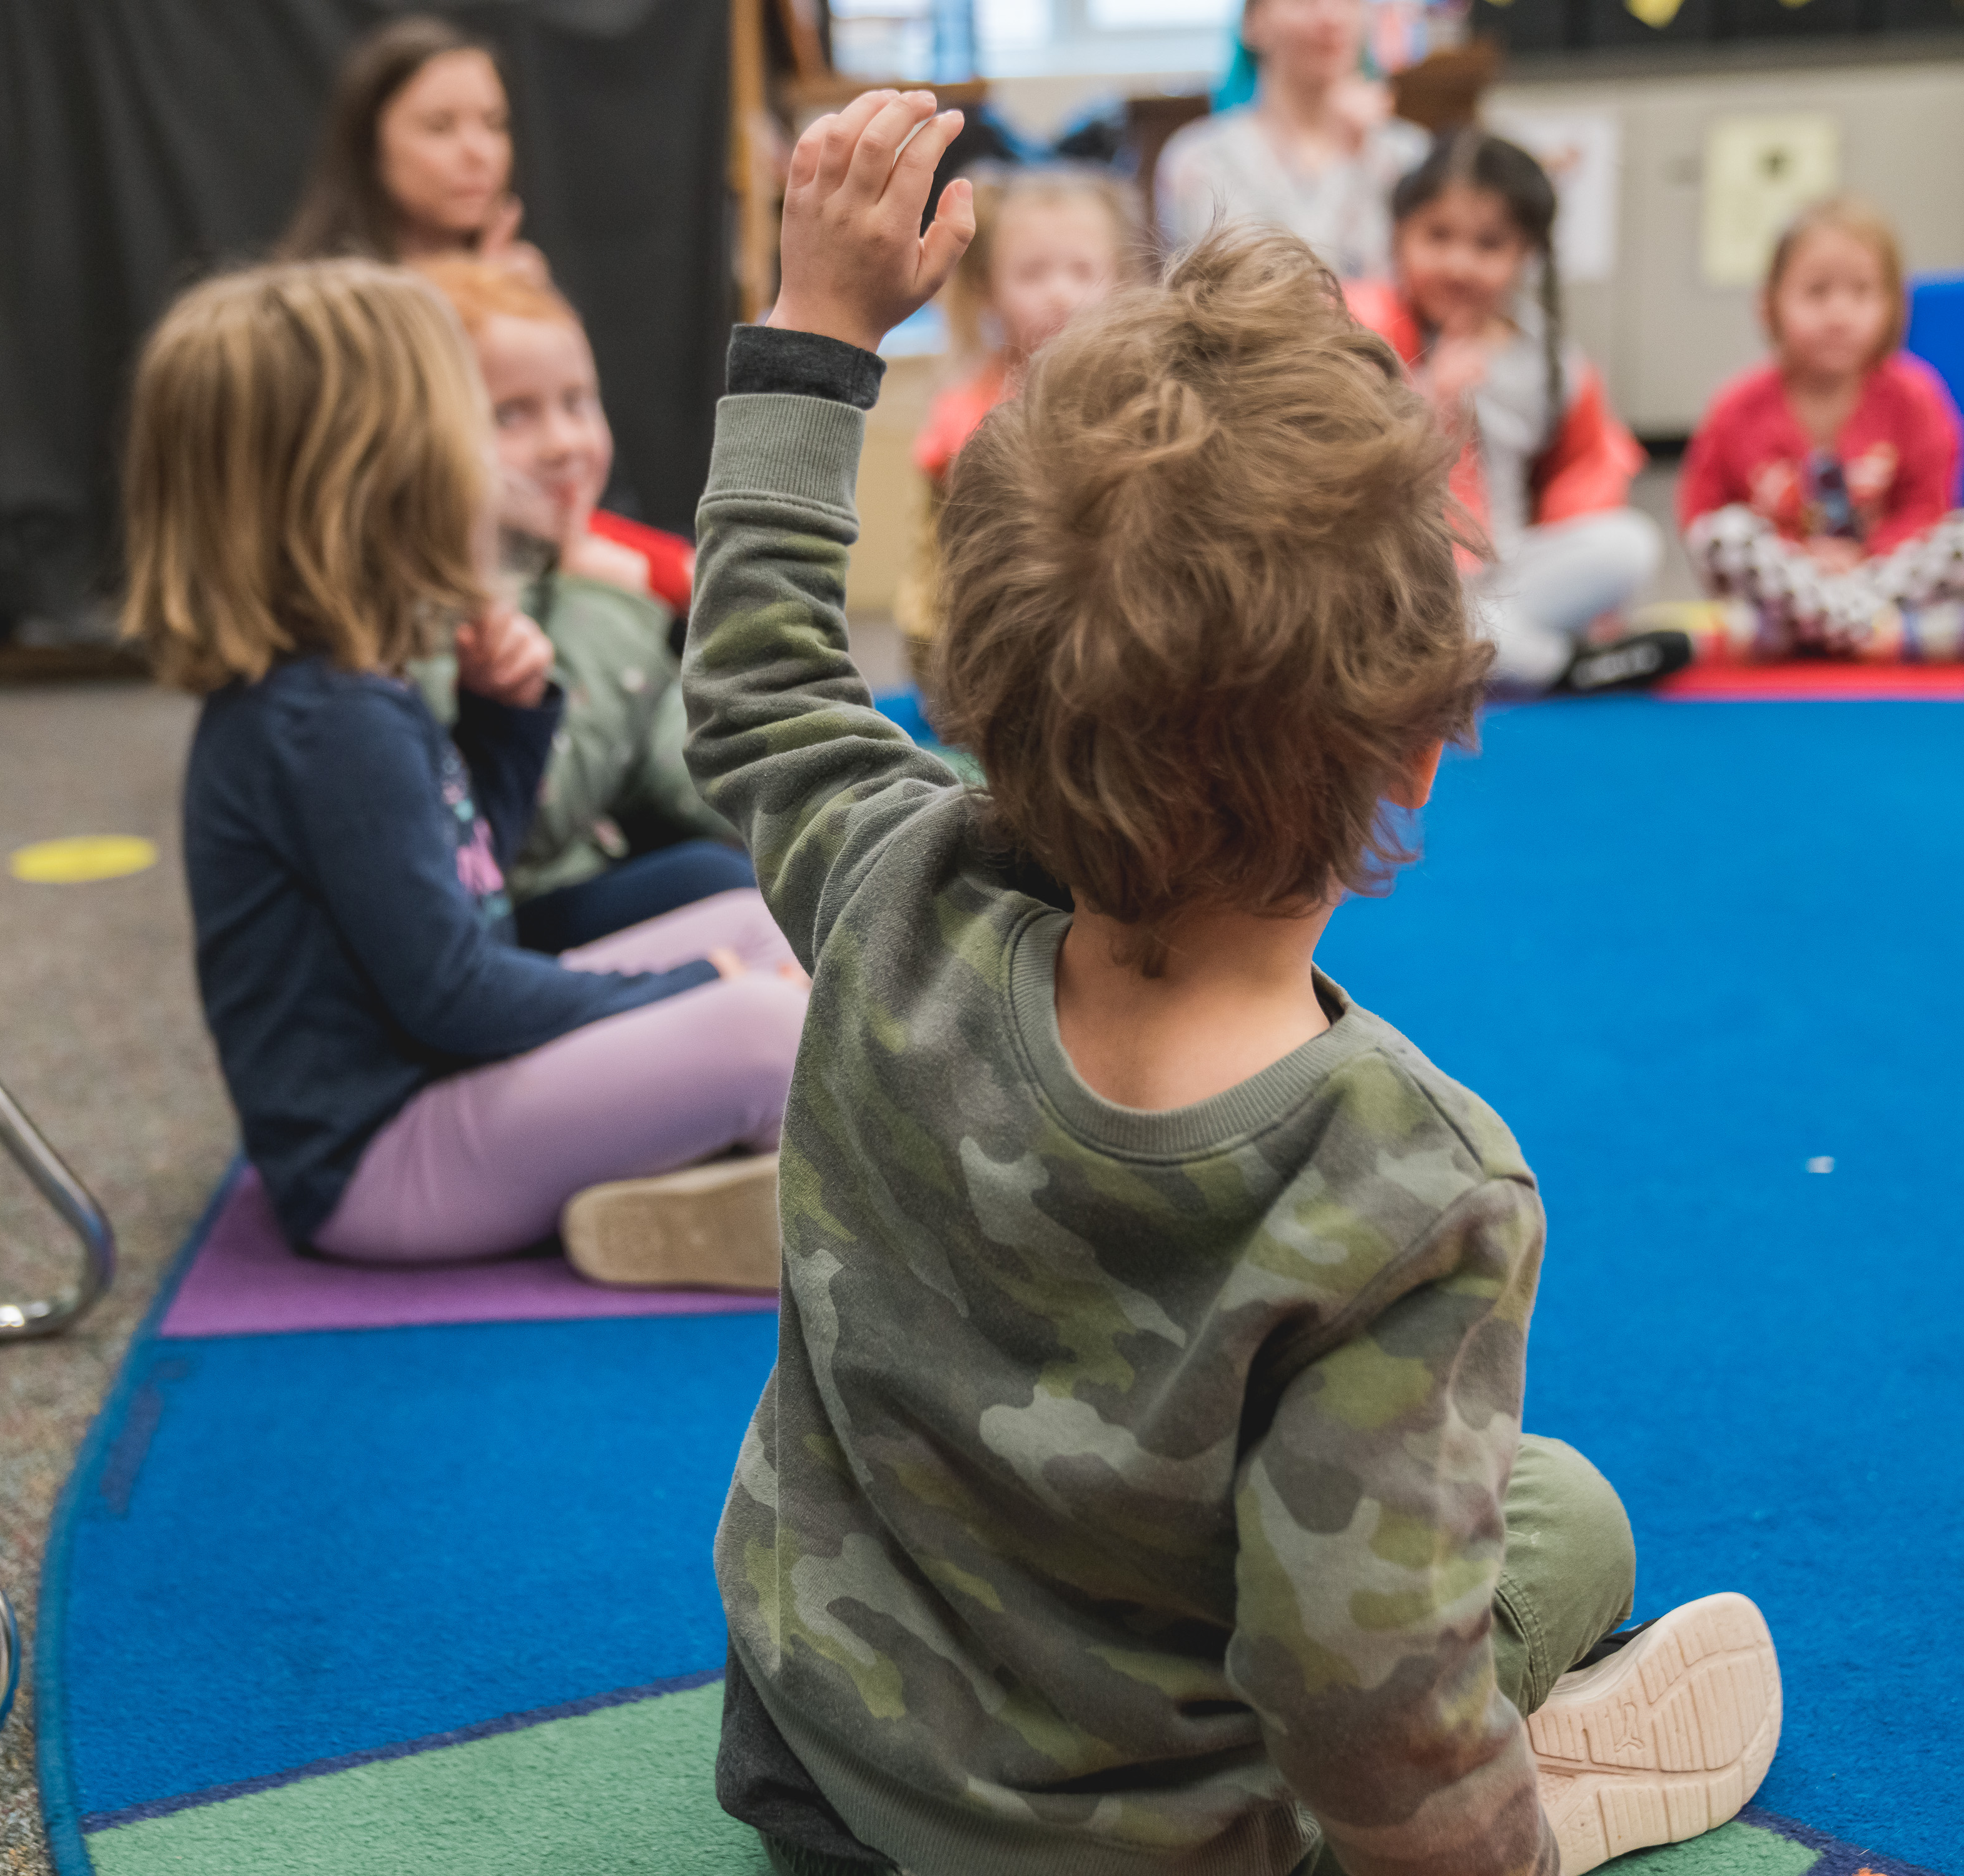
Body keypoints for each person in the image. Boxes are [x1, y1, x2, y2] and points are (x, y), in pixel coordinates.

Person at [694, 89, 1783, 1876]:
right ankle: (1550, 1787)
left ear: (982, 669)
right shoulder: (1411, 1190)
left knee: (1501, 1510)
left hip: (818, 1758)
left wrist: (817, 329)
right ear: (1422, 747)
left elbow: (756, 683)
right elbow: (1355, 1698)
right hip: (1147, 1842)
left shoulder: (895, 889)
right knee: (1565, 1524)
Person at [124, 260, 804, 1284]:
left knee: (770, 923)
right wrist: (684, 990)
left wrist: (503, 724)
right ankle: (832, 1185)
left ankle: (715, 1170)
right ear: (369, 481)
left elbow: (466, 880)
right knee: (764, 1024)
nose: (491, 473)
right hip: (382, 1161)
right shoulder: (325, 720)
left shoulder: (350, 687)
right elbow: (455, 996)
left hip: (448, 1073)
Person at [415, 257, 747, 952]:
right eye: (512, 415)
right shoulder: (440, 606)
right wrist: (609, 606)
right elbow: (538, 817)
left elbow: (668, 768)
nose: (565, 443)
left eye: (577, 402)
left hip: (597, 859)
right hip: (505, 915)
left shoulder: (557, 560)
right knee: (714, 882)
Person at [1348, 131, 1687, 696]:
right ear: (1398, 233)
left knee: (1630, 544)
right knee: (1402, 617)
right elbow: (1335, 471)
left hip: (1501, 568)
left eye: (1488, 245)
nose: (1459, 263)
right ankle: (1561, 666)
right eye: (1438, 237)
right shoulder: (1363, 330)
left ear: (1526, 254)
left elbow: (1581, 480)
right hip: (1393, 571)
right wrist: (1429, 404)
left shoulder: (1549, 362)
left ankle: (1482, 652)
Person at [1678, 199, 1964, 663]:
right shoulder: (1737, 407)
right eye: (1817, 293)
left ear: (1893, 305)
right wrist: (1803, 558)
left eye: (1861, 293)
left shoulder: (1915, 397)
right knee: (1721, 537)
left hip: (1880, 573)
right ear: (1769, 303)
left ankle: (1797, 636)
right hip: (1786, 581)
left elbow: (1928, 506)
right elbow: (1702, 512)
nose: (1839, 315)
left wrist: (1864, 559)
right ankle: (1889, 636)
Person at [899, 165, 1143, 685]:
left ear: (1120, 279)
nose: (1060, 293)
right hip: (996, 658)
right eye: (1033, 273)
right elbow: (932, 582)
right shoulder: (962, 415)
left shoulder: (1142, 403)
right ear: (987, 286)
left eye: (1082, 271)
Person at [1155, 0, 1429, 283]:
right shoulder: (1201, 162)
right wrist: (1346, 160)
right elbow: (1245, 297)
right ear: (1253, 23)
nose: (1331, 17)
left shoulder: (1409, 154)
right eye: (1305, 2)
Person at [278, 16, 550, 284]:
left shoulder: (516, 279)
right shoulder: (314, 301)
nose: (479, 153)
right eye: (440, 127)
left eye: (494, 125)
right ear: (370, 144)